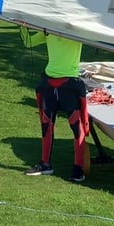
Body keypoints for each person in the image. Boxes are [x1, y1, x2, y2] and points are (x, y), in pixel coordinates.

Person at [21, 27, 90, 182]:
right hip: (49, 83)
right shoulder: (49, 29)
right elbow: (28, 42)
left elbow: (96, 35)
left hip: (70, 84)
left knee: (76, 127)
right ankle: (45, 164)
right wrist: (22, 25)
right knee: (46, 126)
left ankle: (78, 169)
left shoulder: (78, 31)